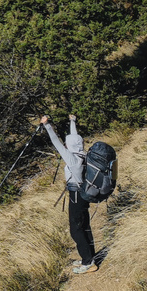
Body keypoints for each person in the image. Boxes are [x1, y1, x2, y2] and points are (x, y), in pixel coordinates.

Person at [41, 114, 97, 274]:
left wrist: (47, 126)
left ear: (70, 145)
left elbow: (56, 142)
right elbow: (74, 139)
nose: (66, 144)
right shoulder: (84, 155)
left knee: (76, 229)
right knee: (85, 225)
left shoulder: (72, 159)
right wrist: (73, 121)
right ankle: (89, 255)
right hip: (84, 193)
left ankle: (88, 262)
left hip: (76, 196)